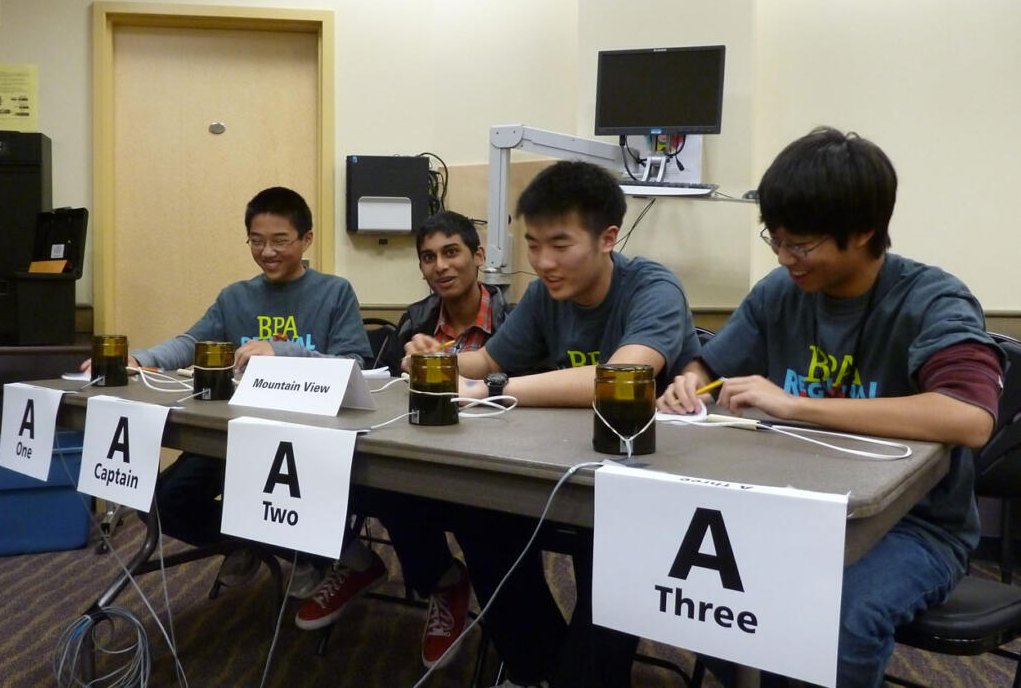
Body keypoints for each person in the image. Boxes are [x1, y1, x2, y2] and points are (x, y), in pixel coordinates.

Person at [657, 127, 1004, 687]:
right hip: (792, 511)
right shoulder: (780, 291)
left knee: (838, 617)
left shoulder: (932, 300)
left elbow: (968, 418)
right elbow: (709, 368)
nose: (784, 256)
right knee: (682, 584)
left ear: (863, 231)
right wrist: (687, 380)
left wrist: (795, 405)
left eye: (802, 244)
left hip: (912, 527)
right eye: (776, 238)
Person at [406, 161, 701, 687]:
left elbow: (623, 375)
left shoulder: (653, 287)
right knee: (478, 515)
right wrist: (441, 357)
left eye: (559, 244)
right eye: (533, 244)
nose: (542, 262)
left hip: (642, 486)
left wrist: (490, 391)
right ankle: (534, 666)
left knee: (605, 566)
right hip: (562, 468)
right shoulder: (546, 294)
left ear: (608, 238)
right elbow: (491, 360)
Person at [97, 186, 372, 597]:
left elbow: (356, 366)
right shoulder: (235, 297)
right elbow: (191, 342)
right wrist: (141, 359)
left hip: (306, 442)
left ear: (306, 239)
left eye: (280, 241)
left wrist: (282, 350)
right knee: (160, 503)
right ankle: (254, 542)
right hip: (233, 436)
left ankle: (311, 551)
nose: (267, 252)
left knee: (277, 496)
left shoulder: (334, 292)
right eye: (256, 241)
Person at [293, 211, 511, 670]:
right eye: (428, 257)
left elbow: (529, 381)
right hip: (423, 452)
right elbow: (382, 392)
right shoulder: (416, 318)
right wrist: (404, 364)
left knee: (482, 522)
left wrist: (466, 372)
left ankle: (518, 642)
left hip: (493, 460)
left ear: (478, 256)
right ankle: (442, 580)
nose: (440, 266)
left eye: (451, 252)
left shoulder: (517, 318)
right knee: (374, 479)